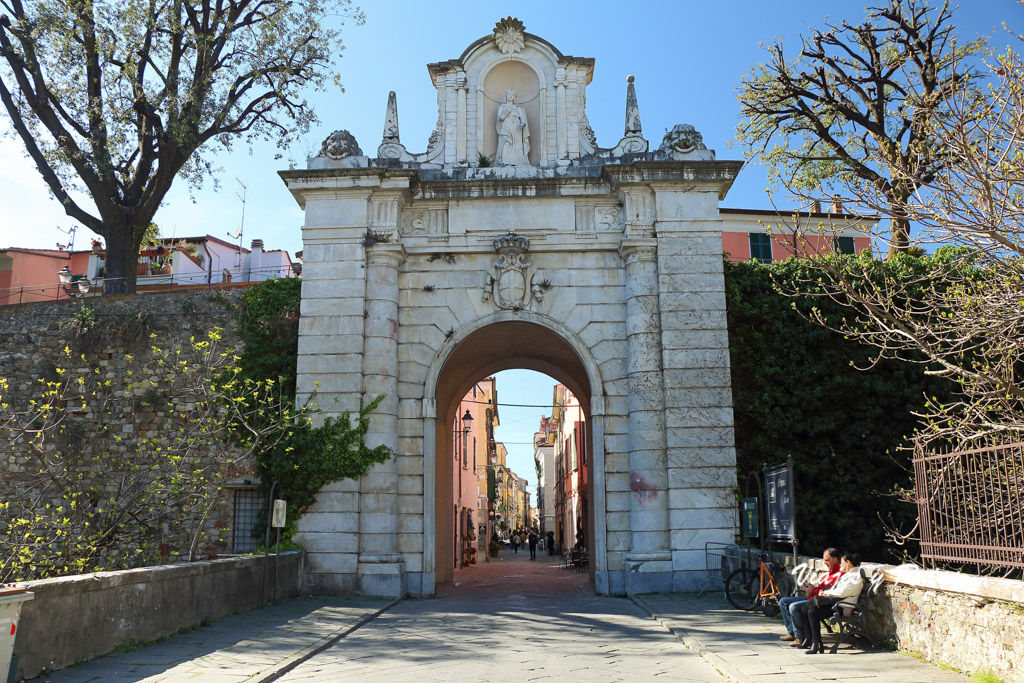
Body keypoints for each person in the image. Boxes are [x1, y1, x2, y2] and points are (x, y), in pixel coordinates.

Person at [800, 552, 864, 654]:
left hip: (843, 608)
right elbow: (838, 589)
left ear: (848, 563)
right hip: (836, 604)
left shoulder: (855, 577)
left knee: (812, 611)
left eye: (842, 562)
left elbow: (843, 592)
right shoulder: (848, 575)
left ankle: (816, 643)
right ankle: (811, 640)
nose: (840, 565)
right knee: (806, 610)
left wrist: (826, 593)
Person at [779, 548, 842, 647]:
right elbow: (821, 588)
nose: (825, 563)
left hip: (819, 601)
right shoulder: (830, 572)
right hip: (812, 597)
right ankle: (793, 633)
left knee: (794, 607)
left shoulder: (839, 574)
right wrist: (811, 589)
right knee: (783, 601)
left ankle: (800, 637)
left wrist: (813, 590)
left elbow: (828, 591)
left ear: (835, 560)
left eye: (827, 560)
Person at [495, 89, 530, 166]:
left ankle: (516, 162)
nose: (511, 96)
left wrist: (522, 124)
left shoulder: (518, 108)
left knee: (517, 144)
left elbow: (522, 118)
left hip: (516, 127)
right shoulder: (502, 106)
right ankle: (504, 161)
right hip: (506, 125)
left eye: (513, 95)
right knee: (506, 141)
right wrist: (506, 112)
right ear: (506, 96)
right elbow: (499, 118)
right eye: (509, 94)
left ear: (514, 97)